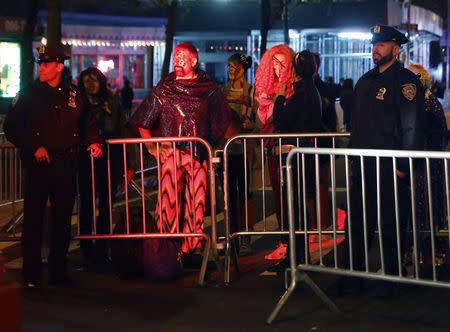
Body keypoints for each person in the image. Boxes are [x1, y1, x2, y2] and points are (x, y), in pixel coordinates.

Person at [3, 45, 103, 287]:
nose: (42, 68)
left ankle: (58, 272)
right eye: (41, 64)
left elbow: (87, 122)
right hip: (38, 164)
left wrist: (95, 141)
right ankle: (32, 274)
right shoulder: (29, 94)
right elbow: (12, 127)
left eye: (47, 64)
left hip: (66, 164)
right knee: (34, 220)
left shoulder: (73, 94)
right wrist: (33, 146)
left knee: (62, 220)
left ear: (59, 66)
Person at [129, 42, 230, 255]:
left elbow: (220, 120)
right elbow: (143, 118)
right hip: (171, 153)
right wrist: (152, 147)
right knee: (168, 201)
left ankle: (192, 247)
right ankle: (166, 247)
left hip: (198, 154)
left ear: (194, 60)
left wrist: (210, 145)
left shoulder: (209, 89)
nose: (177, 61)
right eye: (176, 57)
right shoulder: (165, 87)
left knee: (197, 202)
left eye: (182, 57)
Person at [344, 25, 425, 288]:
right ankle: (352, 277)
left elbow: (411, 126)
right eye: (374, 44)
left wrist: (403, 165)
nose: (375, 49)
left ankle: (393, 280)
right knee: (357, 223)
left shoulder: (406, 82)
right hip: (364, 166)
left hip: (391, 168)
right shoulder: (365, 81)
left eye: (381, 44)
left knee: (392, 225)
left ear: (396, 48)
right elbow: (357, 123)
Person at [269, 50, 324, 270]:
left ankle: (296, 258)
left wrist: (279, 97)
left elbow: (281, 122)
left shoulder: (301, 93)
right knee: (300, 207)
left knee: (295, 208)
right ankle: (299, 256)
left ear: (294, 70)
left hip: (296, 157)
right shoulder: (313, 91)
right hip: (305, 155)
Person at [77, 67, 136, 269]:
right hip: (85, 159)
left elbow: (123, 130)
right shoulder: (77, 102)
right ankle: (85, 250)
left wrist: (130, 163)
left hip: (110, 159)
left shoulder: (112, 101)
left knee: (106, 206)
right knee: (86, 205)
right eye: (86, 81)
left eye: (94, 80)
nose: (90, 84)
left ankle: (102, 250)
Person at [254, 44, 295, 260]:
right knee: (280, 198)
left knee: (291, 198)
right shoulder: (268, 89)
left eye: (283, 63)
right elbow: (262, 118)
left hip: (289, 148)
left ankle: (291, 243)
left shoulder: (293, 88)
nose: (278, 68)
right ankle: (284, 241)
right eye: (275, 63)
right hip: (273, 147)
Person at [408, 63, 448, 274]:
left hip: (427, 167)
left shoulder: (429, 105)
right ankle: (417, 254)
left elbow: (433, 137)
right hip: (420, 167)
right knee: (416, 212)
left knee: (427, 212)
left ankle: (431, 255)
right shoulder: (420, 104)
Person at [221, 53, 258, 256]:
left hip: (244, 148)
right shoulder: (222, 90)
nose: (231, 70)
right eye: (229, 66)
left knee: (245, 193)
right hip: (225, 148)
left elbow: (258, 119)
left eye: (235, 67)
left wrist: (252, 125)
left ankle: (246, 236)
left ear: (243, 69)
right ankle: (230, 234)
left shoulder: (251, 91)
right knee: (228, 194)